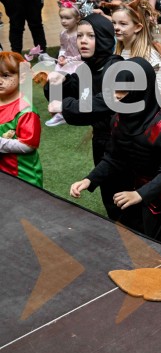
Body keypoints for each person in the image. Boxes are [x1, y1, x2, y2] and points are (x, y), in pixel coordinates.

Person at [69, 58, 161, 253]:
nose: (115, 97)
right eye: (112, 90)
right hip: (145, 193)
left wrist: (139, 194)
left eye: (122, 90)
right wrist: (89, 180)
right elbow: (114, 156)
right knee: (153, 246)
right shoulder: (119, 119)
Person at [45, 15, 139, 228]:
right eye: (79, 36)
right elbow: (63, 92)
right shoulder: (85, 69)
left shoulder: (118, 68)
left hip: (128, 145)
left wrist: (65, 106)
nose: (82, 41)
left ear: (106, 38)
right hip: (102, 142)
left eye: (90, 36)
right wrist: (56, 83)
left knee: (130, 202)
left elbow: (102, 103)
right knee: (111, 198)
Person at [0, 52, 43, 187]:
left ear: (21, 77)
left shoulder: (26, 111)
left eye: (5, 75)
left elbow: (28, 146)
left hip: (24, 176)